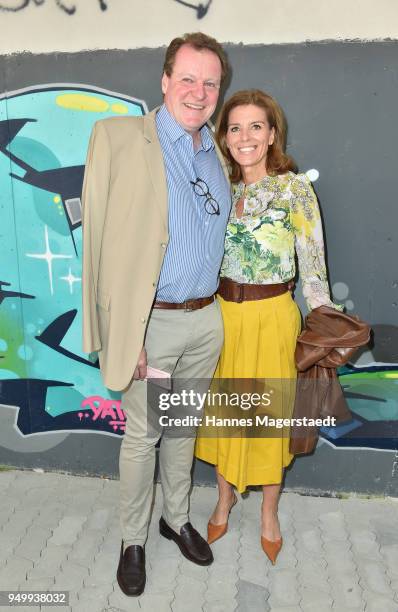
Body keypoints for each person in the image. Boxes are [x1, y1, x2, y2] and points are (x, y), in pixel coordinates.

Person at [81, 33, 231, 596]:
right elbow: (98, 243)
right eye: (187, 78)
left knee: (184, 427)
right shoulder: (119, 139)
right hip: (153, 323)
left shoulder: (214, 150)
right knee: (143, 437)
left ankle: (176, 518)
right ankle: (132, 540)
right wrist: (126, 330)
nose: (198, 92)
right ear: (165, 80)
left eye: (210, 82)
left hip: (205, 320)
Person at [195, 89, 341, 564]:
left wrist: (326, 325)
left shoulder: (294, 188)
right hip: (221, 316)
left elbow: (313, 267)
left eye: (256, 126)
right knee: (223, 415)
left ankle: (269, 514)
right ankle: (223, 499)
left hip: (274, 317)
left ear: (272, 133)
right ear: (225, 137)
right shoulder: (220, 188)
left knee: (269, 420)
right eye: (235, 127)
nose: (245, 137)